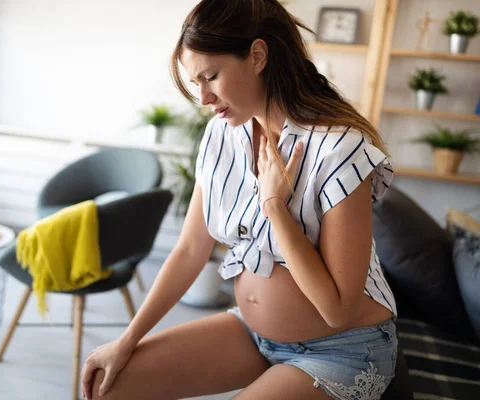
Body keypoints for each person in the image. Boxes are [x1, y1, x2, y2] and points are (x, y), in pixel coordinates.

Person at [81, 0, 397, 399]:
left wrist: (275, 209)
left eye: (210, 76)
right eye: (195, 82)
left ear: (258, 55)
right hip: (253, 333)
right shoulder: (221, 134)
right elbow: (191, 250)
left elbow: (336, 309)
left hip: (342, 350)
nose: (203, 98)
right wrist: (127, 340)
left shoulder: (340, 149)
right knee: (108, 386)